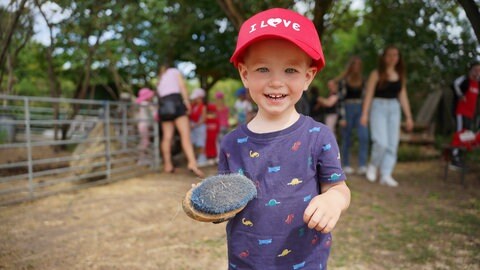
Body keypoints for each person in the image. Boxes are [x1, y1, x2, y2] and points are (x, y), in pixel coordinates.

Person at [219, 8, 351, 269]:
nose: (276, 82)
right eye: (263, 69)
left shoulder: (319, 136)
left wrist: (333, 200)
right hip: (246, 260)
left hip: (304, 260)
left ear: (308, 77)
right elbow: (227, 200)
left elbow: (338, 187)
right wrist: (210, 204)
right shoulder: (231, 144)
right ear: (245, 75)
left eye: (290, 70)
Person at [360, 45, 414, 187]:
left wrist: (408, 116)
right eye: (389, 55)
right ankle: (373, 165)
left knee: (392, 144)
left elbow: (403, 96)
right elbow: (369, 95)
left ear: (398, 58)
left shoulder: (400, 75)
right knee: (380, 142)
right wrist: (365, 114)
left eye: (395, 55)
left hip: (394, 109)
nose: (392, 58)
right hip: (378, 108)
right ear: (384, 57)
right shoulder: (376, 74)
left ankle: (386, 174)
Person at [156, 65, 204, 177]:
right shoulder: (174, 71)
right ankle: (192, 163)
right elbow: (182, 86)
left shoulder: (160, 79)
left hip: (164, 105)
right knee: (185, 135)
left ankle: (167, 165)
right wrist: (186, 101)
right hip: (176, 101)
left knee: (167, 137)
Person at [332, 56, 369, 175]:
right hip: (347, 110)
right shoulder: (344, 81)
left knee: (364, 136)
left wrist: (365, 114)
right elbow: (340, 100)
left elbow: (365, 99)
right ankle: (346, 164)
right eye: (355, 64)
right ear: (351, 66)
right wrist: (342, 117)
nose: (357, 67)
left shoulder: (363, 81)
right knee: (346, 138)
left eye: (359, 65)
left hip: (360, 109)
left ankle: (362, 165)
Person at [449, 61, 480, 169]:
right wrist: (460, 95)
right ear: (471, 70)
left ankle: (460, 156)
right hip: (461, 112)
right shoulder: (465, 80)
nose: (477, 72)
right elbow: (454, 84)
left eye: (479, 70)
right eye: (476, 69)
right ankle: (454, 158)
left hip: (470, 114)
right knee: (459, 133)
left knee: (466, 135)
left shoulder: (478, 83)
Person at [135, 88, 156, 166]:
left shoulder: (142, 103)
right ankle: (141, 159)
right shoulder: (145, 103)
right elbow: (153, 113)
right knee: (145, 142)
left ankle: (143, 158)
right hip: (144, 125)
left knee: (144, 141)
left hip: (143, 124)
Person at [189, 88, 208, 167]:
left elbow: (203, 119)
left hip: (199, 127)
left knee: (201, 143)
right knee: (193, 142)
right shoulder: (193, 106)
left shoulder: (203, 107)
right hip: (193, 127)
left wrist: (195, 125)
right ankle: (195, 158)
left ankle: (202, 158)